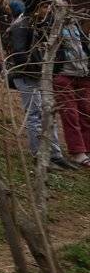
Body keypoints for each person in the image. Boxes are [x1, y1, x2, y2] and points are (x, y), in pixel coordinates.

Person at [6, 0, 76, 170]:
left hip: (43, 76)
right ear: (35, 7)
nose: (47, 10)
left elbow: (59, 48)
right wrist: (40, 65)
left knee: (48, 113)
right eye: (44, 6)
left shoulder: (48, 25)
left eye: (48, 6)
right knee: (35, 114)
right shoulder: (21, 26)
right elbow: (20, 55)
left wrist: (53, 68)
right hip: (26, 75)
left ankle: (55, 154)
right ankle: (39, 156)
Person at [54, 14, 90, 168]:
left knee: (86, 111)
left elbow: (84, 47)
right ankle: (77, 152)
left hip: (82, 74)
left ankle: (87, 148)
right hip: (64, 75)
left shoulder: (76, 26)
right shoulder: (51, 27)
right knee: (70, 113)